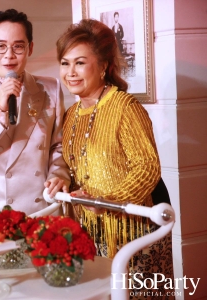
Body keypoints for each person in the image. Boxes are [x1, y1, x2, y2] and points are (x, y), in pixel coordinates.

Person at [56, 19, 173, 298]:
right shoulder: (71, 115)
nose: (71, 72)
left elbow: (147, 168)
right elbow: (74, 168)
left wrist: (108, 202)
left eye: (80, 63)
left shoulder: (125, 107)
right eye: (64, 63)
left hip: (136, 234)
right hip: (92, 234)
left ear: (104, 65)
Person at [0, 9, 70, 216]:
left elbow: (58, 144)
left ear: (30, 48)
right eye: (1, 46)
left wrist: (58, 174)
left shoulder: (51, 88)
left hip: (42, 207)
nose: (9, 55)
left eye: (18, 46)